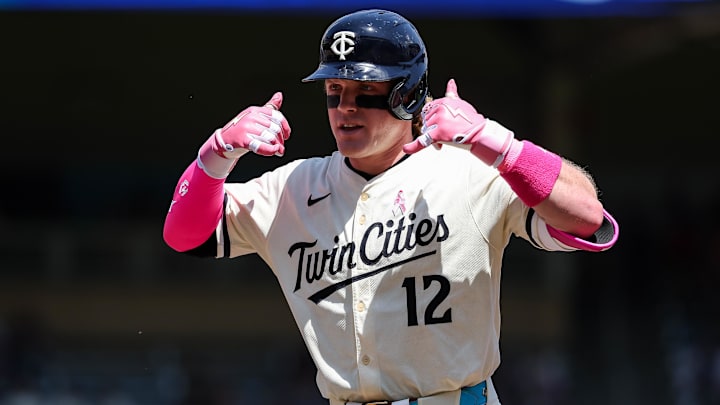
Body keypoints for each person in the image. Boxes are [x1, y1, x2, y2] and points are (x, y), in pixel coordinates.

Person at [162, 8, 619, 405]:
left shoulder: (467, 171)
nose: (345, 108)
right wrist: (215, 156)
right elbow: (185, 235)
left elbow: (587, 216)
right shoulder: (292, 187)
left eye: (364, 91)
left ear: (407, 95)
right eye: (333, 92)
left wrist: (496, 142)